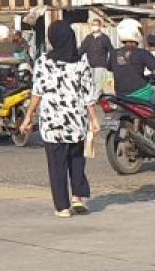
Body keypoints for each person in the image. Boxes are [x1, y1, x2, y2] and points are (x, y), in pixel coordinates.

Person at [20, 20, 99, 218]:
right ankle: (78, 197)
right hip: (76, 119)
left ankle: (62, 206)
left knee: (56, 164)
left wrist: (28, 116)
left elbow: (37, 92)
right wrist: (94, 119)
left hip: (52, 121)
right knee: (76, 158)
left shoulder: (44, 62)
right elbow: (88, 94)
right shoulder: (81, 62)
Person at [110, 19, 155, 148]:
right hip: (141, 93)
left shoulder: (113, 54)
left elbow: (117, 68)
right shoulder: (142, 53)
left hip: (121, 95)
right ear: (135, 33)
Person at [79, 20, 114, 95]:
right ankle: (93, 97)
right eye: (93, 25)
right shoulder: (88, 38)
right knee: (91, 82)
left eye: (96, 25)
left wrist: (110, 63)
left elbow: (111, 50)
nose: (94, 26)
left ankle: (96, 98)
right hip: (90, 64)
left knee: (98, 82)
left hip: (100, 64)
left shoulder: (105, 38)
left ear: (100, 26)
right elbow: (81, 49)